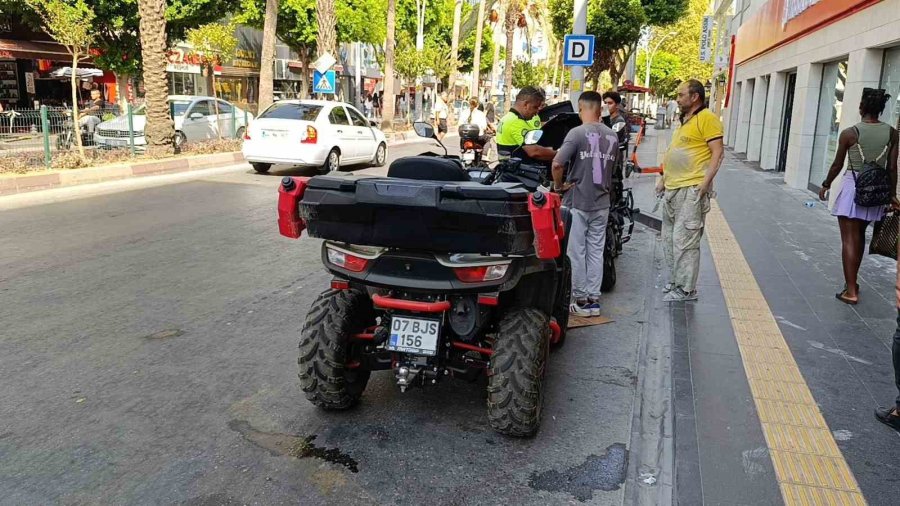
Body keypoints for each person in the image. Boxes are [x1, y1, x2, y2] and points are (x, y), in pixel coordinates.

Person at [818, 88, 899, 305]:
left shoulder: (849, 133)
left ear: (862, 106)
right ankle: (852, 282)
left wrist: (826, 185)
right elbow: (892, 168)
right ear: (881, 109)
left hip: (853, 188)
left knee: (848, 239)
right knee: (860, 236)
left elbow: (837, 164)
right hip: (876, 192)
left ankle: (851, 290)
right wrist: (892, 195)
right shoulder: (892, 133)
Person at [656, 80, 726, 302]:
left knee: (685, 239)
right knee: (669, 238)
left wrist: (705, 184)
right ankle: (676, 281)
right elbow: (675, 151)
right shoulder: (685, 120)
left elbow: (718, 153)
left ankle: (686, 289)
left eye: (681, 95)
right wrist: (662, 178)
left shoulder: (708, 119)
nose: (677, 99)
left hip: (691, 188)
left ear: (695, 96)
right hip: (673, 187)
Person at [551, 91, 619, 316]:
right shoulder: (612, 136)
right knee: (595, 251)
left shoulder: (577, 133)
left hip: (578, 200)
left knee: (576, 251)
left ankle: (580, 299)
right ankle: (593, 299)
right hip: (602, 201)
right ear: (601, 109)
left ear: (582, 108)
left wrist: (559, 187)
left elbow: (557, 164)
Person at [495, 86, 556, 161]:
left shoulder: (507, 118)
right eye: (535, 107)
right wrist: (561, 153)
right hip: (518, 170)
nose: (537, 112)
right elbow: (534, 151)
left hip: (508, 168)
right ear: (526, 104)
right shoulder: (516, 122)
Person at [603, 91, 630, 170]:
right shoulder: (602, 118)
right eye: (605, 103)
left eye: (610, 103)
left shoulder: (619, 121)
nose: (606, 106)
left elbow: (611, 137)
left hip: (613, 160)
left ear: (617, 105)